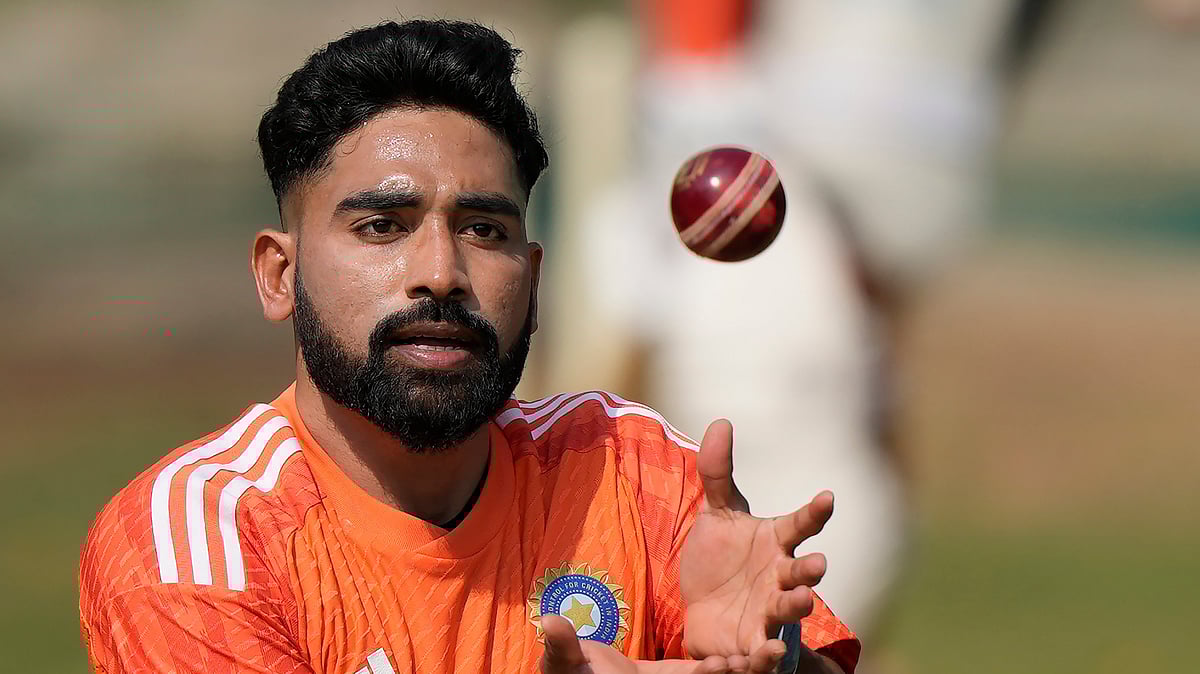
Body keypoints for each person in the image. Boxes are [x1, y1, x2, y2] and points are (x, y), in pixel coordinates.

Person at [76, 20, 859, 674]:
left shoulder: (630, 468)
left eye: (485, 230)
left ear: (535, 281)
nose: (442, 274)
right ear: (280, 275)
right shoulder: (196, 542)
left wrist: (782, 663)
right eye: (382, 225)